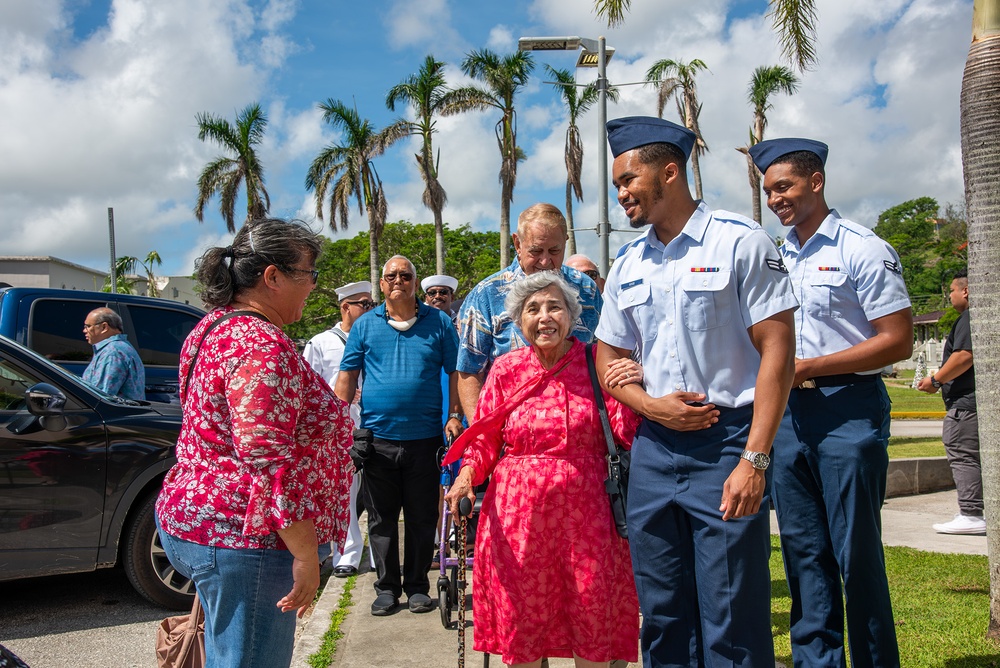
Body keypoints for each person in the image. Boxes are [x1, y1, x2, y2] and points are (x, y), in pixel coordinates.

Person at [595, 116, 798, 667]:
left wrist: (754, 458)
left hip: (727, 441)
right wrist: (646, 403)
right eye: (616, 184)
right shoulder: (628, 263)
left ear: (669, 172)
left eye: (628, 180)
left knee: (731, 613)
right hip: (654, 452)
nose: (620, 194)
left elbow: (778, 351)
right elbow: (607, 354)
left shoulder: (741, 242)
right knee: (662, 613)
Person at [155, 218, 354, 668]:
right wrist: (304, 555)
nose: (314, 287)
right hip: (247, 541)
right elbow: (266, 458)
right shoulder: (260, 345)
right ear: (272, 276)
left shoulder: (214, 326)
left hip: (203, 520)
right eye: (309, 275)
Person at [750, 137, 913, 667]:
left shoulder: (861, 247)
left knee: (856, 555)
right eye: (768, 190)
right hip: (790, 419)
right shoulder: (778, 256)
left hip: (848, 410)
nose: (775, 199)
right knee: (802, 555)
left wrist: (809, 368)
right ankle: (816, 662)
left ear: (815, 181)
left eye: (784, 187)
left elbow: (898, 339)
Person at [445, 271, 641, 668]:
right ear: (520, 322)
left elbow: (625, 429)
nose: (545, 316)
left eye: (555, 307)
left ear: (572, 316)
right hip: (519, 520)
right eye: (533, 309)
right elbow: (485, 437)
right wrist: (466, 477)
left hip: (587, 518)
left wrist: (639, 386)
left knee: (590, 613)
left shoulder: (596, 363)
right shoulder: (505, 369)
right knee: (524, 620)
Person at [335, 256, 463, 616]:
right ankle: (387, 587)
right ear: (381, 284)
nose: (398, 281)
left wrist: (454, 415)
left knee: (423, 517)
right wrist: (338, 424)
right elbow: (347, 376)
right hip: (377, 441)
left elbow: (455, 371)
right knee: (381, 519)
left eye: (405, 276)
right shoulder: (364, 326)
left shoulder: (438, 322)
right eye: (391, 276)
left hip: (426, 439)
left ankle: (418, 586)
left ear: (414, 282)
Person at [457, 203, 602, 419]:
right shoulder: (486, 295)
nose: (545, 261)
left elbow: (602, 353)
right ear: (517, 243)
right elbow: (469, 371)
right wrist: (481, 434)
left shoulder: (587, 289)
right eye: (535, 251)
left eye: (554, 251)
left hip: (579, 430)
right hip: (511, 434)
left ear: (565, 243)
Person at [303, 280, 377, 577]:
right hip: (342, 429)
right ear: (346, 307)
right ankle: (346, 553)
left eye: (372, 304)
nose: (371, 309)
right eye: (365, 304)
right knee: (344, 492)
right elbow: (308, 386)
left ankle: (379, 556)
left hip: (375, 423)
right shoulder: (321, 343)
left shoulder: (376, 336)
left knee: (377, 493)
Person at [918, 269, 984, 535]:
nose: (950, 296)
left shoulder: (969, 318)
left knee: (963, 455)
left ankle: (971, 513)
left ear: (965, 290)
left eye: (952, 291)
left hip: (965, 406)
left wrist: (936, 380)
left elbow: (964, 355)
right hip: (976, 404)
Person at [81, 307, 145, 401]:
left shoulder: (112, 353)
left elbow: (101, 397)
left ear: (104, 327)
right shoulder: (119, 348)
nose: (84, 330)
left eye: (88, 326)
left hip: (115, 415)